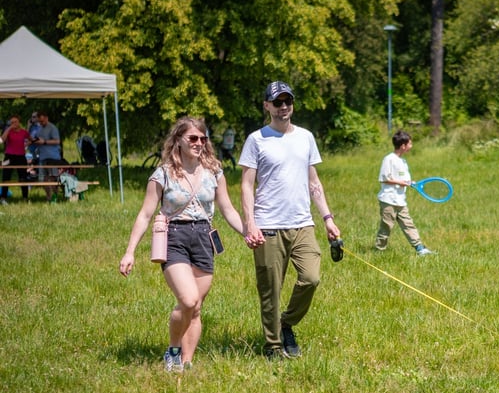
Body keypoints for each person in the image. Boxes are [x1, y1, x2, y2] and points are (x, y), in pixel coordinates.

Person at [119, 117, 246, 372]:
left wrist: (247, 232)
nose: (199, 143)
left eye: (203, 138)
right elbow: (145, 214)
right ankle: (173, 350)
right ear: (178, 140)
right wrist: (130, 251)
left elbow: (228, 208)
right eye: (193, 138)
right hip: (174, 237)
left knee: (197, 308)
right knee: (187, 300)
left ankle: (186, 364)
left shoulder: (214, 172)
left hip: (203, 238)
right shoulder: (163, 174)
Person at [239, 81, 341, 359]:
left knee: (311, 278)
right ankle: (272, 346)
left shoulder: (306, 137)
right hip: (268, 225)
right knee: (270, 289)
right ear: (267, 106)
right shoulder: (256, 139)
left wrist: (327, 218)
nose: (283, 107)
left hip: (302, 223)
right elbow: (247, 184)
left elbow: (313, 181)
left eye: (288, 102)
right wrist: (250, 223)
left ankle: (287, 324)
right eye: (278, 102)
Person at [375, 130, 434, 255]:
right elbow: (385, 178)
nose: (411, 146)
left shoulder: (403, 161)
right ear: (403, 145)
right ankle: (379, 250)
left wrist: (409, 182)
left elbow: (402, 179)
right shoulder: (389, 159)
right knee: (386, 226)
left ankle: (420, 248)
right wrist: (402, 183)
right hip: (388, 200)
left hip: (400, 200)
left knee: (408, 224)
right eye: (410, 144)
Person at [1, 115, 33, 203]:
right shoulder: (8, 131)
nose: (14, 124)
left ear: (19, 122)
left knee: (23, 177)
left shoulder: (24, 132)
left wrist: (26, 144)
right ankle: (3, 198)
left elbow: (32, 139)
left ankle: (25, 198)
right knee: (6, 176)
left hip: (21, 157)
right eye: (11, 122)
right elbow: (2, 140)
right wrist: (9, 128)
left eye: (15, 122)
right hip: (9, 157)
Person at [31, 111, 61, 200]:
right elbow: (37, 139)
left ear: (47, 118)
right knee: (44, 179)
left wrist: (44, 142)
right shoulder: (39, 128)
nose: (41, 123)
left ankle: (55, 196)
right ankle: (48, 197)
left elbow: (57, 141)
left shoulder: (52, 128)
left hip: (53, 158)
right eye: (40, 121)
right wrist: (31, 141)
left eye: (43, 121)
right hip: (42, 158)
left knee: (52, 178)